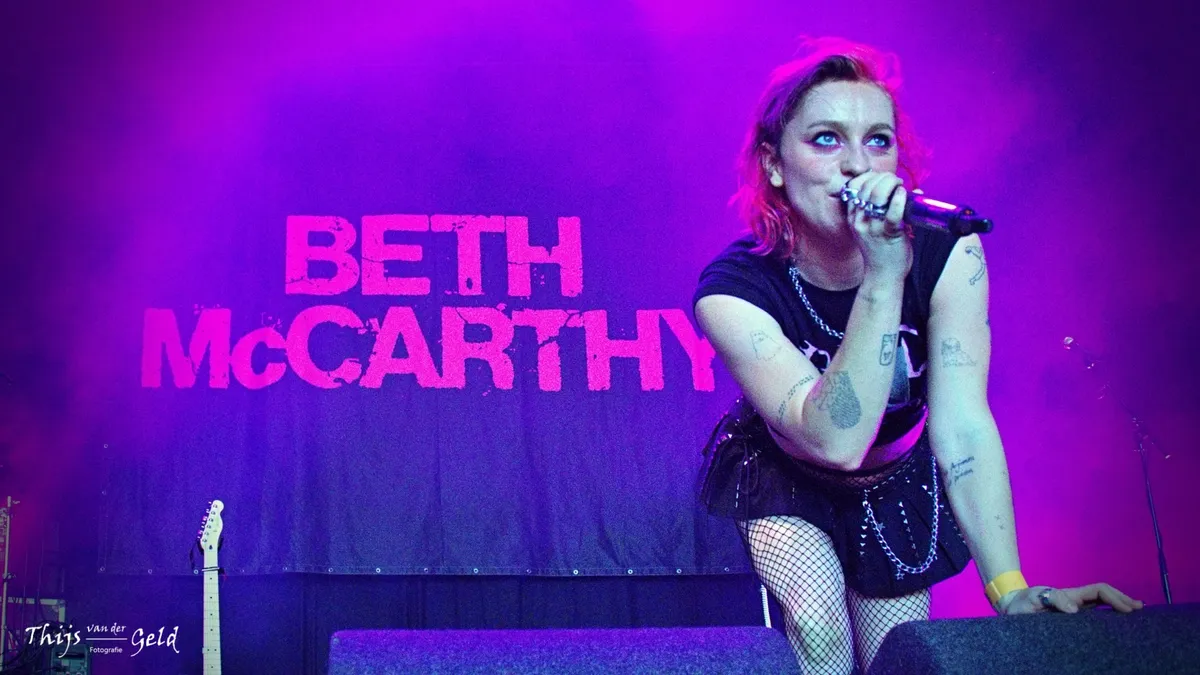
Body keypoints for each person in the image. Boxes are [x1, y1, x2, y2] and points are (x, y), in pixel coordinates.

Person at [693, 37, 1143, 674]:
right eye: (826, 140)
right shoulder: (735, 290)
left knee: (898, 656)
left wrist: (1009, 589)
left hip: (896, 473)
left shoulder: (948, 255)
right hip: (790, 471)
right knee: (820, 630)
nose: (858, 165)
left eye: (878, 141)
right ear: (774, 165)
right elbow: (833, 442)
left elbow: (962, 424)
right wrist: (883, 275)